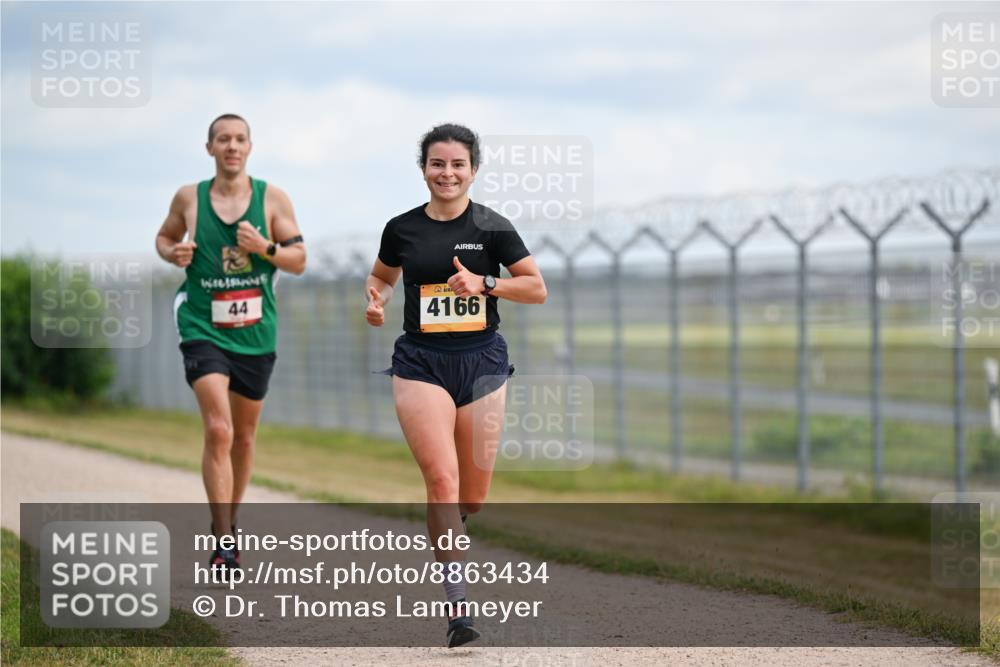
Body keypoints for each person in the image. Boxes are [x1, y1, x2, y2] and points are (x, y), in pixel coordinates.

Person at [365, 123, 546, 647]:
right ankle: (458, 607)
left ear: (473, 170)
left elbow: (536, 288)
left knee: (473, 495)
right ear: (423, 169)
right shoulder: (401, 229)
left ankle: (454, 525)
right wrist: (374, 301)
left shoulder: (493, 227)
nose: (447, 173)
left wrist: (486, 283)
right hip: (420, 362)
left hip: (482, 363)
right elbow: (381, 277)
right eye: (437, 164)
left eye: (457, 165)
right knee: (441, 481)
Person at [155, 113, 306, 571]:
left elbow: (298, 259)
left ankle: (230, 520)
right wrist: (173, 252)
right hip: (202, 324)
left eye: (240, 139)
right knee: (218, 429)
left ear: (249, 147)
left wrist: (265, 248)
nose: (232, 146)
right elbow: (164, 238)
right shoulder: (189, 198)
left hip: (256, 333)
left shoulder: (272, 199)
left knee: (243, 437)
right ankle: (223, 537)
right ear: (210, 148)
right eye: (223, 139)